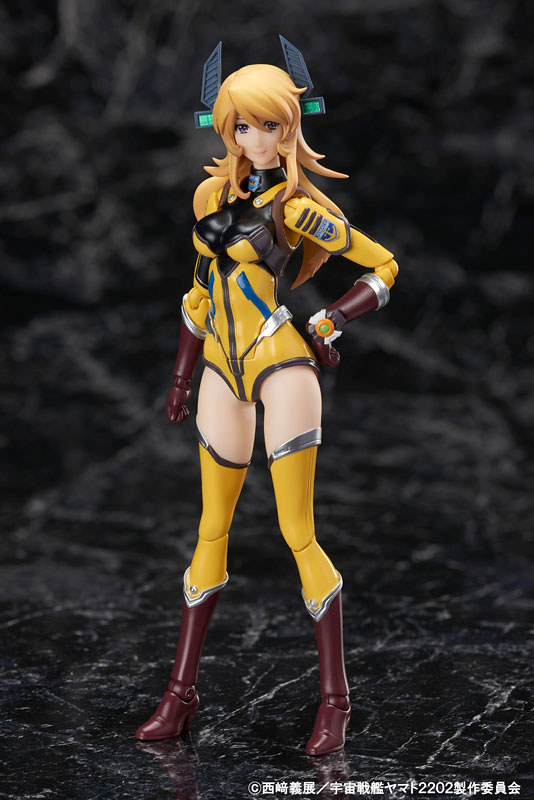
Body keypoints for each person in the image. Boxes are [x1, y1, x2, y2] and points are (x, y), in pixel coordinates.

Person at [136, 54, 398, 756]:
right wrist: (181, 375)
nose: (255, 138)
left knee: (296, 532)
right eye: (242, 126)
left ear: (290, 128)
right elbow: (199, 294)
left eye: (269, 125)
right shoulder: (208, 199)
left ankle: (336, 701)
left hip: (280, 362)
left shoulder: (298, 208)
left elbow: (383, 266)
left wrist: (333, 316)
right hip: (221, 367)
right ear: (226, 128)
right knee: (209, 530)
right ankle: (180, 695)